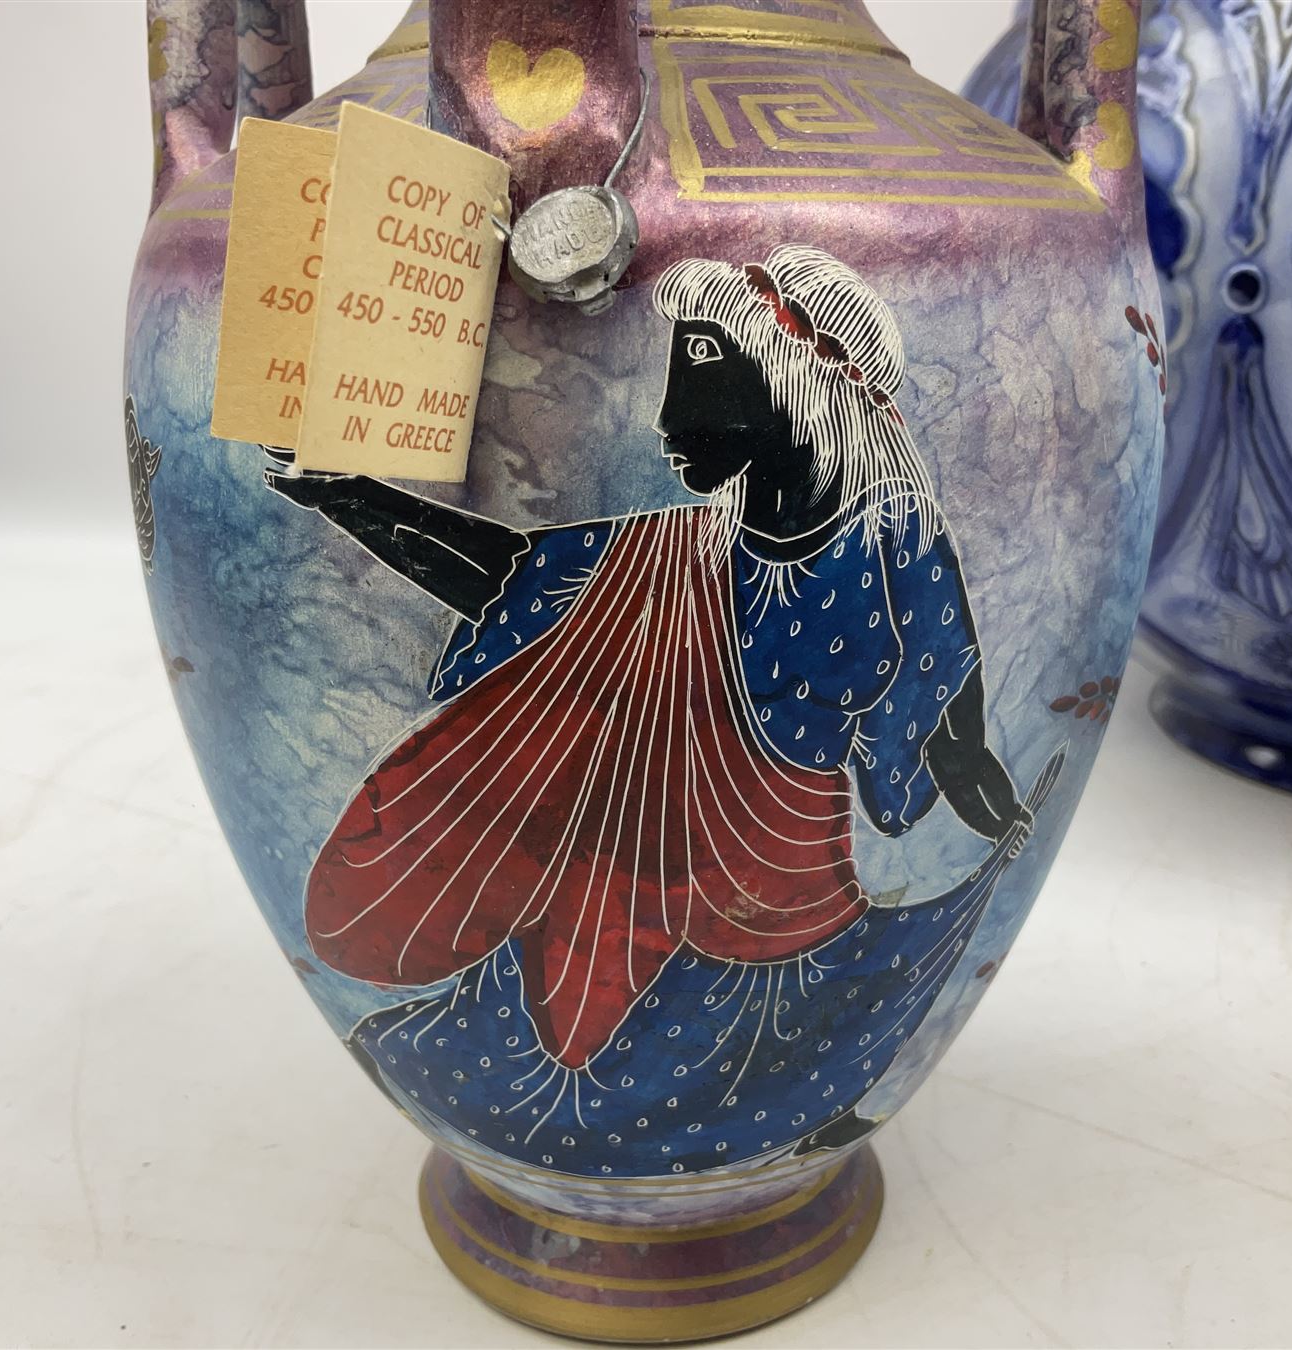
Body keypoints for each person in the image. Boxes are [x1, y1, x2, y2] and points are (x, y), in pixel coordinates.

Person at [267, 245, 1043, 1172]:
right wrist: (347, 494)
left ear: (793, 379)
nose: (671, 416)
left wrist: (1004, 820)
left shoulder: (896, 542)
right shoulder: (672, 552)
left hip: (784, 913)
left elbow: (951, 722)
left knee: (758, 1071)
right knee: (562, 1075)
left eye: (704, 363)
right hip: (615, 891)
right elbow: (511, 572)